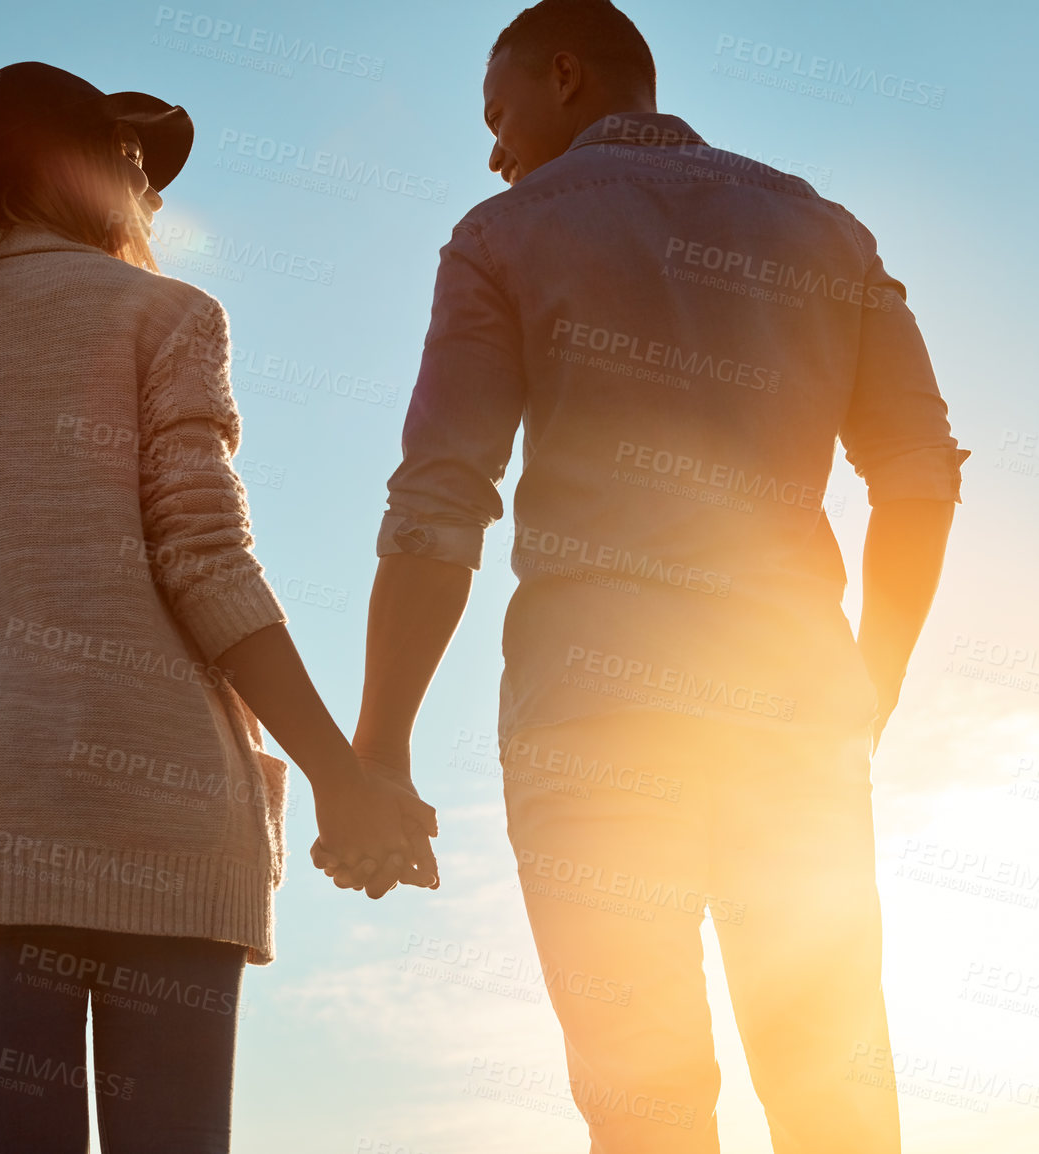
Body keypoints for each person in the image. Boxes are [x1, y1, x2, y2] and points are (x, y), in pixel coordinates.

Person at [353, 2, 968, 1150]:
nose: (493, 147)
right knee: (833, 1086)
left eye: (499, 112)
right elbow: (920, 474)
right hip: (794, 712)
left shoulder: (500, 234)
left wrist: (379, 748)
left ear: (568, 75)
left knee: (643, 1101)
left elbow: (439, 507)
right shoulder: (827, 231)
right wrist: (866, 687)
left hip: (593, 718)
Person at [0, 62, 436, 1154]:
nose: (151, 197)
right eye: (137, 166)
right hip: (170, 829)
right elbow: (205, 562)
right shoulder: (169, 316)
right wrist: (345, 773)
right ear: (85, 172)